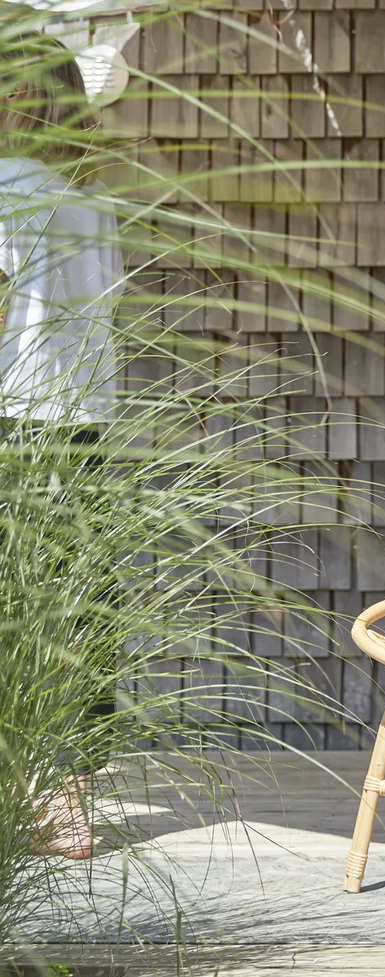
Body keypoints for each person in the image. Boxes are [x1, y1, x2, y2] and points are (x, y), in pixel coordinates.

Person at [0, 31, 124, 859]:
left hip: (14, 423)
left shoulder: (5, 188)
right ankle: (67, 799)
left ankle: (26, 795)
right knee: (81, 613)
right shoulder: (94, 197)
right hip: (87, 425)